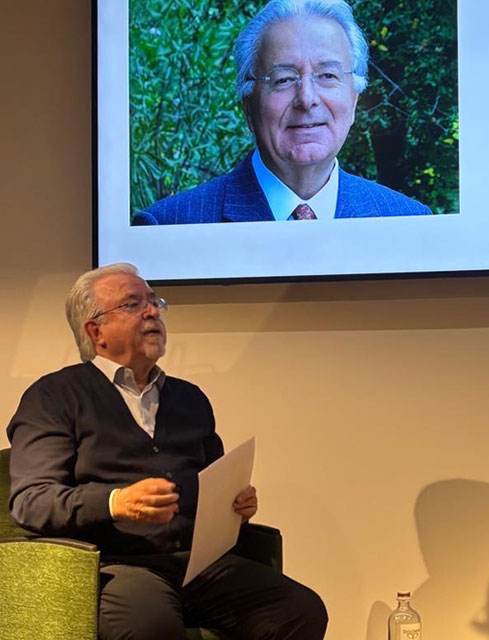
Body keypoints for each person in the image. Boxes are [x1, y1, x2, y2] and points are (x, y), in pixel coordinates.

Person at [6, 263, 328, 640]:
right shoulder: (53, 397)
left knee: (299, 610)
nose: (152, 312)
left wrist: (234, 507)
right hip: (114, 565)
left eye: (154, 302)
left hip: (196, 565)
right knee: (151, 626)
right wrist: (115, 502)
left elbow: (211, 486)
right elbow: (32, 502)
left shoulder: (190, 399)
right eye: (132, 304)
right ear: (96, 331)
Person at [133, 0, 431, 224]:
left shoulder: (410, 223)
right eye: (284, 79)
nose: (307, 99)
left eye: (328, 75)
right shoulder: (170, 225)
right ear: (248, 105)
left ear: (354, 100)